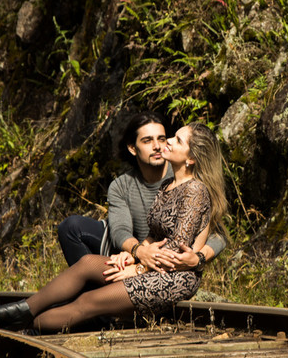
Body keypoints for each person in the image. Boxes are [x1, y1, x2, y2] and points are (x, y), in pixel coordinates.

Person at [0, 123, 230, 332]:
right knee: (85, 265)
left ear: (192, 158)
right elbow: (155, 235)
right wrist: (133, 253)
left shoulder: (195, 191)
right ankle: (17, 312)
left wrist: (136, 269)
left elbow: (175, 250)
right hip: (153, 266)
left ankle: (14, 324)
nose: (168, 142)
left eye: (177, 140)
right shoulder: (168, 185)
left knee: (88, 302)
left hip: (172, 278)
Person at [57, 111, 226, 272]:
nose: (157, 146)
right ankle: (94, 293)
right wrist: (139, 252)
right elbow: (120, 230)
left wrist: (198, 259)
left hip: (167, 262)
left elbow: (217, 233)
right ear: (132, 148)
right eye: (147, 141)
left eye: (161, 138)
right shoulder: (121, 185)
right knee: (71, 227)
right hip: (133, 252)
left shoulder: (184, 177)